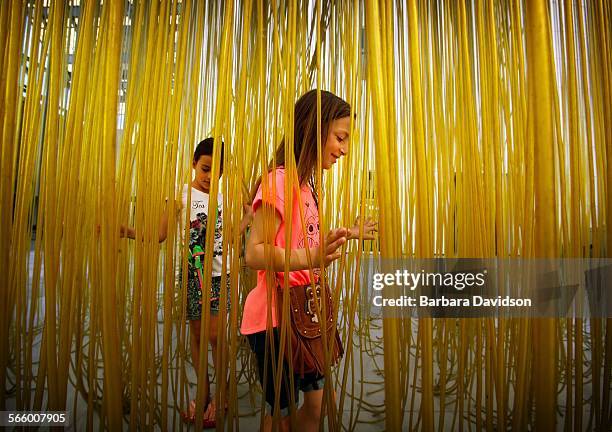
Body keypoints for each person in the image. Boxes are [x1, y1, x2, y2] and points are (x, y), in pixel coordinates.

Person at [242, 90, 376, 432]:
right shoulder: (279, 181)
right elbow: (254, 252)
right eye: (340, 137)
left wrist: (347, 233)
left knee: (315, 409)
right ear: (314, 130)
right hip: (275, 320)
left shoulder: (306, 185)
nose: (344, 149)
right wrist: (311, 257)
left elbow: (302, 238)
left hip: (307, 314)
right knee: (280, 419)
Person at [122, 138, 253, 427]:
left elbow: (241, 223)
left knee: (217, 337)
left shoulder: (225, 194)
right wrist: (126, 230)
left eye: (215, 172)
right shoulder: (180, 195)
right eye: (205, 169)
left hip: (221, 275)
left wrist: (244, 223)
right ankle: (203, 391)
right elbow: (158, 235)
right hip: (192, 275)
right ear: (194, 163)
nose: (209, 177)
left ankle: (222, 395)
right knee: (196, 335)